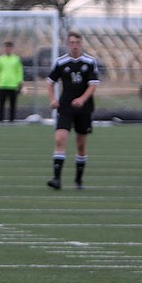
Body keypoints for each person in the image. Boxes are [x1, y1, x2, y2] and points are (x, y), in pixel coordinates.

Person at [46, 31, 99, 190]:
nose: (74, 45)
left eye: (77, 42)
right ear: (68, 44)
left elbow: (93, 84)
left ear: (81, 43)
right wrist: (53, 100)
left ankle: (78, 180)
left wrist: (82, 99)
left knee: (81, 145)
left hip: (84, 109)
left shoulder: (90, 61)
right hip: (66, 107)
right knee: (60, 139)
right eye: (72, 43)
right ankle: (56, 179)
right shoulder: (61, 62)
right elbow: (50, 82)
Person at [0, 40, 24, 123]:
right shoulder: (0, 59)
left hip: (13, 85)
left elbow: (19, 71)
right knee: (1, 105)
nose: (7, 49)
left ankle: (11, 121)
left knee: (13, 105)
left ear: (12, 48)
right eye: (6, 47)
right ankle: (0, 121)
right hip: (2, 85)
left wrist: (20, 83)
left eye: (9, 47)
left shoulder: (16, 59)